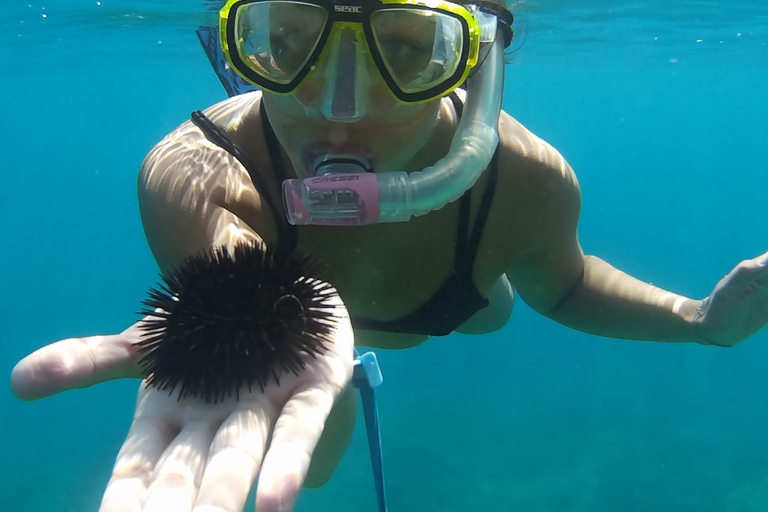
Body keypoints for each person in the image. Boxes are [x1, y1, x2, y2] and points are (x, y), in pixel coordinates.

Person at [10, 0, 768, 511]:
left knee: (492, 312)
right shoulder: (198, 167)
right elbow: (236, 286)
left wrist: (696, 318)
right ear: (253, 47)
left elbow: (564, 288)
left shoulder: (523, 180)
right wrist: (272, 354)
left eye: (407, 50)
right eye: (293, 41)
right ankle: (344, 367)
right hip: (313, 332)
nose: (340, 108)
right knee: (321, 465)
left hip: (460, 304)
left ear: (473, 67)